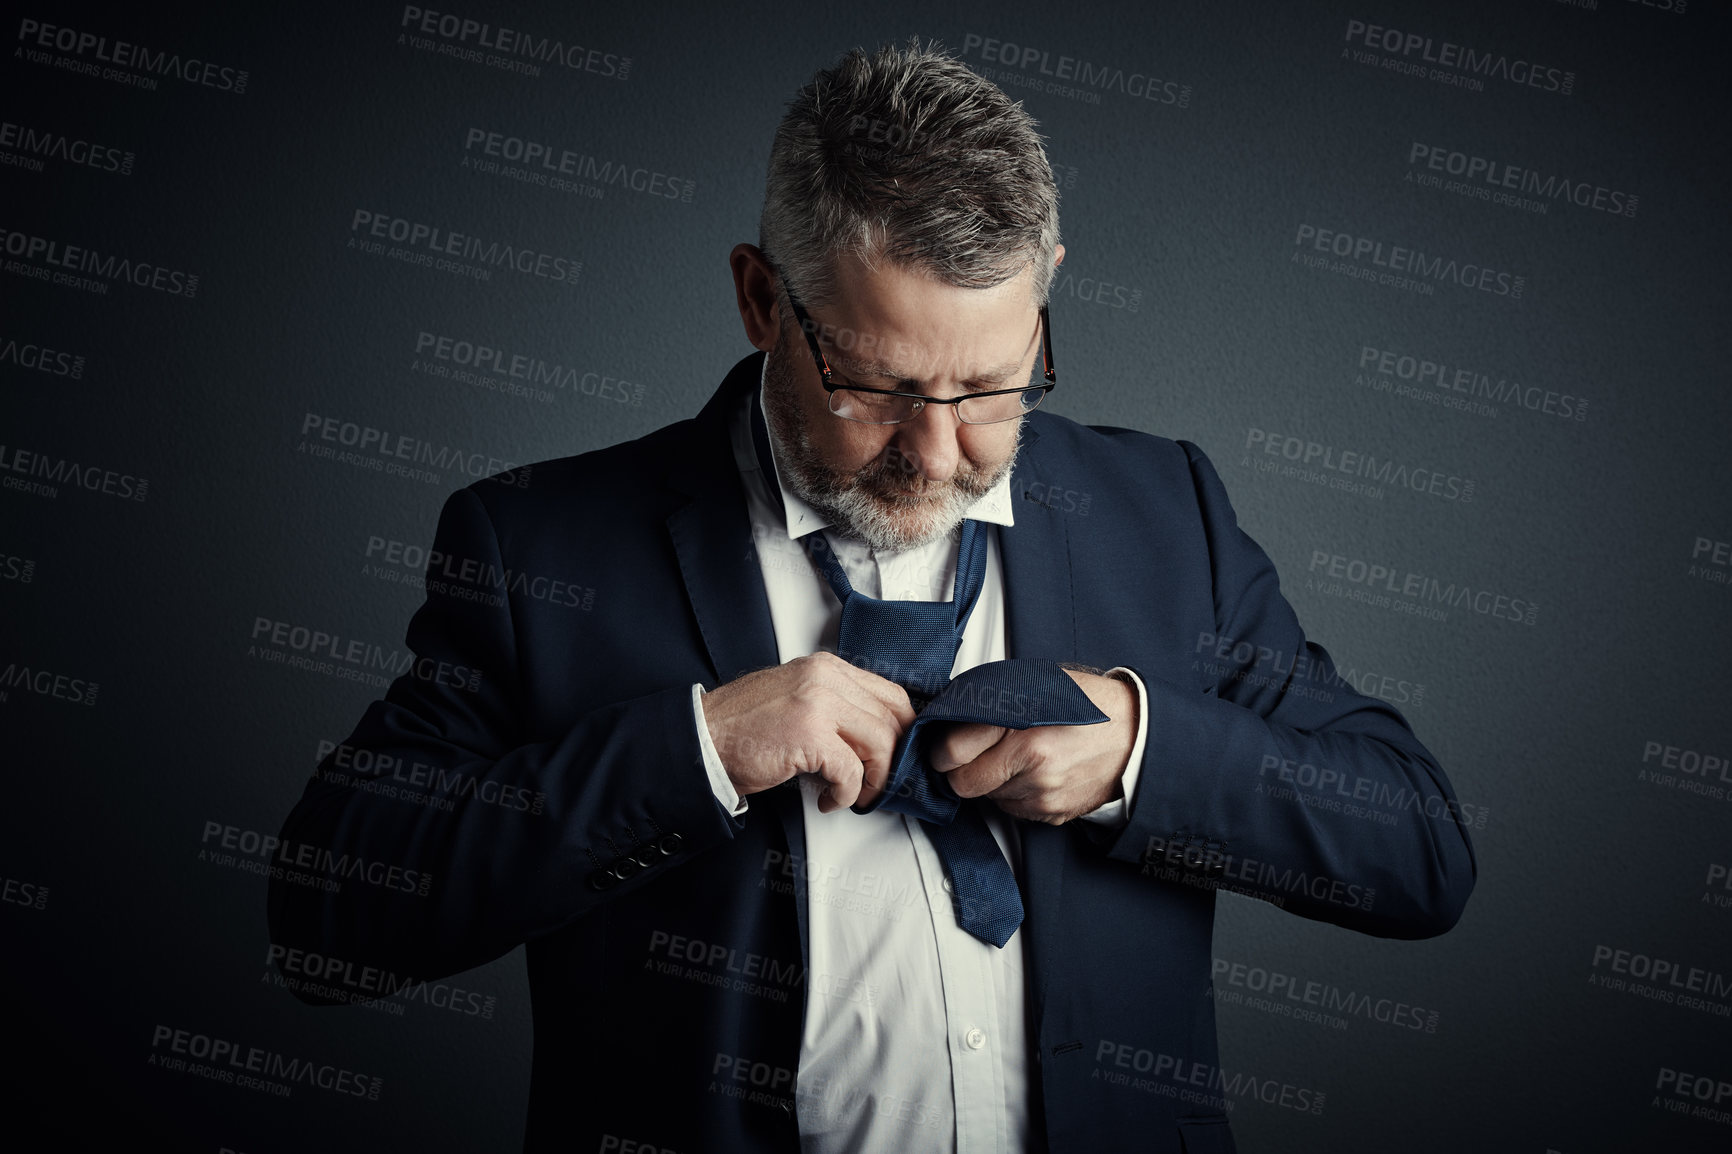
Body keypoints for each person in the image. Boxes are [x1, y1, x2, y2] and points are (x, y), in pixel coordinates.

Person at [269, 39, 1475, 1154]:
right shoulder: (544, 543)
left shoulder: (1165, 512)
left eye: (995, 385)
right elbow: (328, 914)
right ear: (760, 300)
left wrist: (1138, 751)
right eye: (877, 388)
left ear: (1045, 288)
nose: (941, 453)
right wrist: (697, 748)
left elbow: (1418, 851)